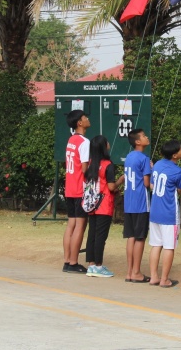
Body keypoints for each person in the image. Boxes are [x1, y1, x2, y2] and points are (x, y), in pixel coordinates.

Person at [85, 134, 124, 278]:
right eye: (106, 142)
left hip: (92, 203)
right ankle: (98, 266)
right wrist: (120, 180)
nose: (109, 143)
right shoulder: (108, 164)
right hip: (104, 204)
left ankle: (91, 265)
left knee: (92, 234)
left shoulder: (91, 163)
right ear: (104, 147)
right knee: (101, 236)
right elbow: (111, 186)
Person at [148, 139, 181, 288]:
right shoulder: (178, 171)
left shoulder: (157, 164)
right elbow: (180, 190)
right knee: (169, 246)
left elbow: (152, 185)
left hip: (155, 211)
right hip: (169, 214)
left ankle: (154, 277)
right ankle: (164, 279)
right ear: (175, 155)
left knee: (156, 245)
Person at [63, 110, 90, 273]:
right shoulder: (84, 142)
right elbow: (85, 168)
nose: (87, 119)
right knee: (80, 225)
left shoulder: (71, 140)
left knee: (71, 225)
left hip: (70, 187)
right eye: (85, 117)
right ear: (79, 123)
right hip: (80, 188)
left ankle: (67, 260)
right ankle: (73, 262)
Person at [123, 128, 152, 283]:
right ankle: (136, 272)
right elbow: (146, 183)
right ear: (138, 142)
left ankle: (129, 272)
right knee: (140, 238)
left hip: (129, 202)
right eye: (144, 136)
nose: (147, 137)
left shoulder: (129, 157)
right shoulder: (144, 158)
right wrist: (152, 170)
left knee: (131, 236)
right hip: (141, 203)